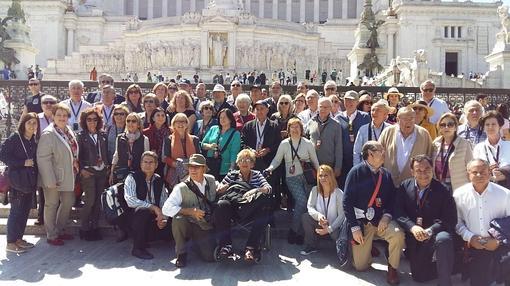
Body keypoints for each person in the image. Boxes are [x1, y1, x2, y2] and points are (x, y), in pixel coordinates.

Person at [343, 141, 404, 285]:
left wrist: (387, 216)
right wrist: (354, 227)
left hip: (381, 222)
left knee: (397, 234)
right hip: (363, 224)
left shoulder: (386, 174)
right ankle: (369, 248)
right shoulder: (356, 172)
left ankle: (392, 267)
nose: (384, 153)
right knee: (360, 266)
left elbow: (392, 200)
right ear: (370, 154)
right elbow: (347, 202)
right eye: (380, 150)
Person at [395, 155, 457, 285]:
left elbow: (450, 218)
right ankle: (454, 265)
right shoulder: (404, 186)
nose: (423, 174)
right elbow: (398, 211)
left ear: (433, 169)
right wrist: (412, 227)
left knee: (444, 239)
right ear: (412, 172)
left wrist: (429, 231)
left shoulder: (443, 190)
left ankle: (445, 280)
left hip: (434, 234)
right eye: (418, 170)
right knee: (419, 277)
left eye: (427, 169)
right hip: (414, 234)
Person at [454, 159, 510, 286]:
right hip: (475, 245)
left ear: (490, 173)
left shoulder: (505, 194)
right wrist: (471, 237)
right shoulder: (459, 195)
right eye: (475, 172)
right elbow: (457, 223)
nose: (479, 175)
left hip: (501, 244)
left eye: (483, 172)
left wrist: (498, 241)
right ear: (468, 174)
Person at [266, 118, 320, 244]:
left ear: (301, 129)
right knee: (302, 202)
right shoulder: (284, 144)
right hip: (292, 178)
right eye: (292, 127)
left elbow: (315, 161)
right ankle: (294, 231)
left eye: (297, 127)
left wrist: (321, 175)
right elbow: (277, 160)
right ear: (288, 129)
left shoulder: (307, 143)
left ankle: (300, 234)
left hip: (308, 178)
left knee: (306, 206)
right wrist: (270, 168)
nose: (295, 129)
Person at [213, 149, 273, 262]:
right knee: (221, 205)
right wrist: (224, 187)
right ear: (237, 163)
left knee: (264, 205)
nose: (244, 162)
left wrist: (257, 190)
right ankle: (226, 245)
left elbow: (269, 189)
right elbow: (219, 190)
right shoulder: (232, 175)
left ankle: (251, 247)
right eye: (241, 160)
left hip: (251, 210)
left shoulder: (257, 174)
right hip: (234, 209)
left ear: (252, 163)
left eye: (248, 159)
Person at [162, 153, 217, 267]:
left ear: (204, 169)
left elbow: (217, 187)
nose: (193, 170)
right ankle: (181, 254)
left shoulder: (211, 180)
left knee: (210, 257)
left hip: (204, 224)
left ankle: (196, 244)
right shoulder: (181, 187)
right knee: (178, 219)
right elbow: (166, 209)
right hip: (188, 223)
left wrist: (221, 188)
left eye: (196, 167)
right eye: (190, 167)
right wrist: (190, 211)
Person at [37, 103, 79, 246]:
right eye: (58, 115)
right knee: (51, 204)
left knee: (68, 202)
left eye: (64, 115)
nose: (62, 117)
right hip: (53, 177)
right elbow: (43, 158)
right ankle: (51, 234)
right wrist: (49, 180)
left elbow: (72, 150)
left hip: (68, 175)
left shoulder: (68, 130)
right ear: (53, 116)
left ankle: (60, 229)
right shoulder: (48, 134)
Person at [0, 113, 39, 253]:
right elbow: (3, 155)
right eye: (29, 122)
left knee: (24, 211)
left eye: (34, 123)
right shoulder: (15, 138)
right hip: (17, 181)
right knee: (16, 212)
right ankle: (10, 242)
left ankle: (18, 239)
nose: (32, 126)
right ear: (23, 123)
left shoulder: (33, 139)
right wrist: (22, 163)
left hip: (29, 181)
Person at [124, 151, 170, 260]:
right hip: (134, 218)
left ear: (156, 165)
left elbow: (164, 201)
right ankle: (137, 248)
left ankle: (148, 239)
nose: (148, 165)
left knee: (171, 223)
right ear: (140, 164)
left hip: (153, 218)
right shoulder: (132, 177)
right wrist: (153, 207)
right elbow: (130, 200)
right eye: (145, 162)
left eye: (151, 162)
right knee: (142, 211)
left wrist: (163, 218)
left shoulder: (159, 180)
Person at [379, 107, 434, 187]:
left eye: (411, 118)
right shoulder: (388, 132)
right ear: (398, 120)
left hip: (414, 186)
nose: (409, 122)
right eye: (405, 119)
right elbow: (379, 155)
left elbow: (430, 156)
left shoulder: (423, 134)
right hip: (389, 183)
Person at [300, 165, 346, 259]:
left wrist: (329, 229)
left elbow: (342, 215)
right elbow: (310, 207)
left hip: (335, 226)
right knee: (305, 217)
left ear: (331, 177)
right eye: (320, 176)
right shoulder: (315, 190)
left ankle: (340, 249)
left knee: (337, 234)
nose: (323, 178)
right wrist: (319, 216)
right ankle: (311, 245)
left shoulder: (338, 193)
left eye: (326, 175)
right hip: (320, 223)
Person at [76, 108, 108, 241]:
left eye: (95, 119)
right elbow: (76, 155)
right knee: (89, 200)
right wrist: (82, 169)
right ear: (84, 121)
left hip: (101, 171)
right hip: (88, 171)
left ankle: (94, 227)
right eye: (89, 119)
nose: (92, 122)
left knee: (97, 201)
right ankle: (84, 228)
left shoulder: (103, 135)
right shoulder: (80, 136)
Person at [335, 91, 371, 187]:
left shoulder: (365, 117)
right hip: (343, 160)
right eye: (347, 100)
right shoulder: (338, 118)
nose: (349, 103)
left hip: (360, 159)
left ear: (357, 102)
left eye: (352, 100)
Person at [433, 113, 473, 192]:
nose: (446, 127)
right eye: (443, 125)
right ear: (439, 128)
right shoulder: (435, 143)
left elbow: (471, 168)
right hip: (438, 186)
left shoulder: (465, 144)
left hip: (458, 187)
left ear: (455, 127)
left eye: (450, 124)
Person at [305, 97, 343, 179]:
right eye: (321, 107)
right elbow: (305, 142)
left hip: (329, 165)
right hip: (312, 165)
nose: (323, 109)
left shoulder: (336, 125)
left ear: (330, 108)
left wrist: (338, 167)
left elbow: (338, 147)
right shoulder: (311, 122)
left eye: (326, 107)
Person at [472, 111, 510, 188]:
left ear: (500, 126)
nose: (490, 127)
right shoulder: (478, 148)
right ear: (483, 128)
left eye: (493, 124)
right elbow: (474, 170)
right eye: (487, 125)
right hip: (486, 188)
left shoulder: (508, 145)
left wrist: (505, 172)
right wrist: (487, 169)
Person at [110, 112, 150, 184]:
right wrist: (112, 172)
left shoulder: (144, 139)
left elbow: (146, 158)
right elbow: (116, 155)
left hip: (138, 172)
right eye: (128, 121)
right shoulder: (119, 138)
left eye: (133, 121)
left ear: (138, 124)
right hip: (123, 172)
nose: (130, 123)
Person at [162, 113, 200, 189]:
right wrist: (180, 165)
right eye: (177, 121)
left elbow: (198, 157)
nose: (180, 124)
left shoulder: (194, 139)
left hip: (192, 168)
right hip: (174, 170)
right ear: (173, 124)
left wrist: (188, 166)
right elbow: (165, 158)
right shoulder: (168, 139)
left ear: (187, 124)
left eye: (183, 121)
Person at [241, 100, 280, 171]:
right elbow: (242, 142)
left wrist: (268, 149)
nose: (259, 111)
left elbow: (278, 143)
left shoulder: (274, 126)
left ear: (267, 110)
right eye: (257, 109)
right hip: (251, 161)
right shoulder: (248, 126)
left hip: (268, 161)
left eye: (262, 109)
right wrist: (250, 150)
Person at [202, 108, 241, 179]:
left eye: (225, 117)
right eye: (220, 117)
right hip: (210, 166)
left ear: (230, 119)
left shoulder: (235, 134)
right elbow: (202, 144)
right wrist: (210, 146)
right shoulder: (213, 129)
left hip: (224, 168)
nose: (222, 119)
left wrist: (232, 168)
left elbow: (234, 152)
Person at [353, 100, 391, 166]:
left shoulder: (390, 129)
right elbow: (357, 152)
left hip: (385, 168)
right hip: (366, 168)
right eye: (372, 110)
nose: (374, 113)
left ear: (385, 114)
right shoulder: (363, 129)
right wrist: (357, 168)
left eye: (378, 110)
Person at [143, 107, 170, 178]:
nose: (160, 117)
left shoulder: (170, 132)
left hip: (166, 162)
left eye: (163, 115)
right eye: (158, 115)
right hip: (151, 162)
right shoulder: (146, 132)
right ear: (153, 118)